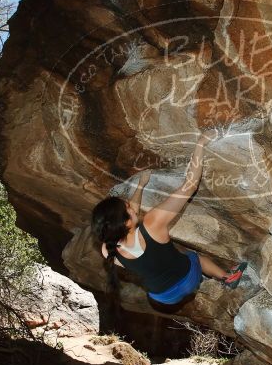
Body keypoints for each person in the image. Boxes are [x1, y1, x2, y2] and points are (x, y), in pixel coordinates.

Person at [91, 129, 247, 305]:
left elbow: (131, 220)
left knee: (169, 257)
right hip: (188, 281)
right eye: (128, 206)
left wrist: (141, 185)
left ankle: (196, 279)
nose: (131, 206)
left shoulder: (108, 249)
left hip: (163, 298)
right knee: (194, 257)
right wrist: (201, 143)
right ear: (126, 221)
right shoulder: (152, 224)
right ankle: (227, 277)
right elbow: (189, 186)